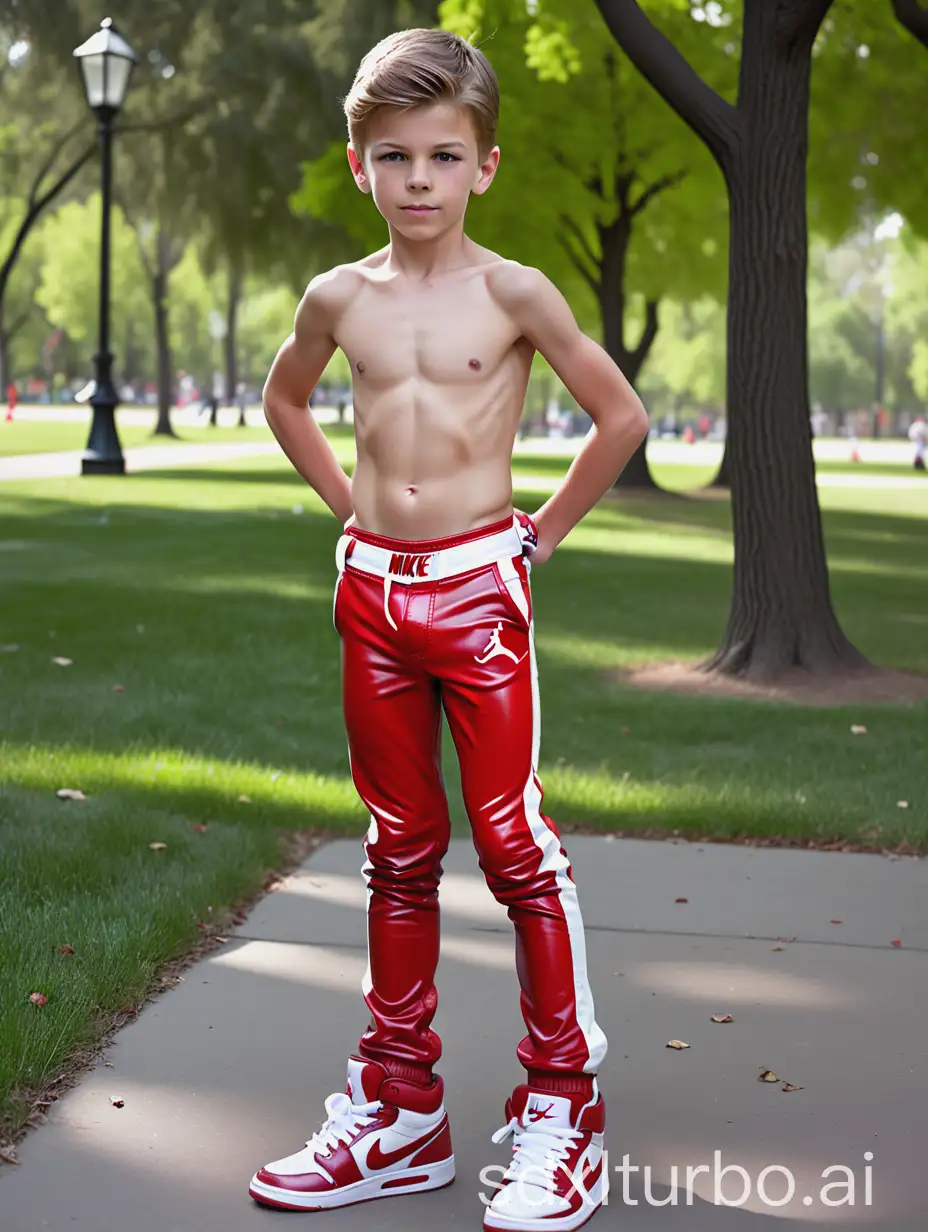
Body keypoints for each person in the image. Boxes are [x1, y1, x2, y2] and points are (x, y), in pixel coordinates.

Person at [251, 28, 648, 1231]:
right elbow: (283, 394)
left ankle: (563, 1106)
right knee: (397, 845)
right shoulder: (338, 297)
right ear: (361, 162)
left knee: (513, 839)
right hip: (372, 592)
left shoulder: (513, 290)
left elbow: (618, 415)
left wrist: (536, 540)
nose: (415, 179)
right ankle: (400, 1107)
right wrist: (345, 506)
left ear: (482, 165)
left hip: (479, 591)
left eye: (441, 155)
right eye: (392, 156)